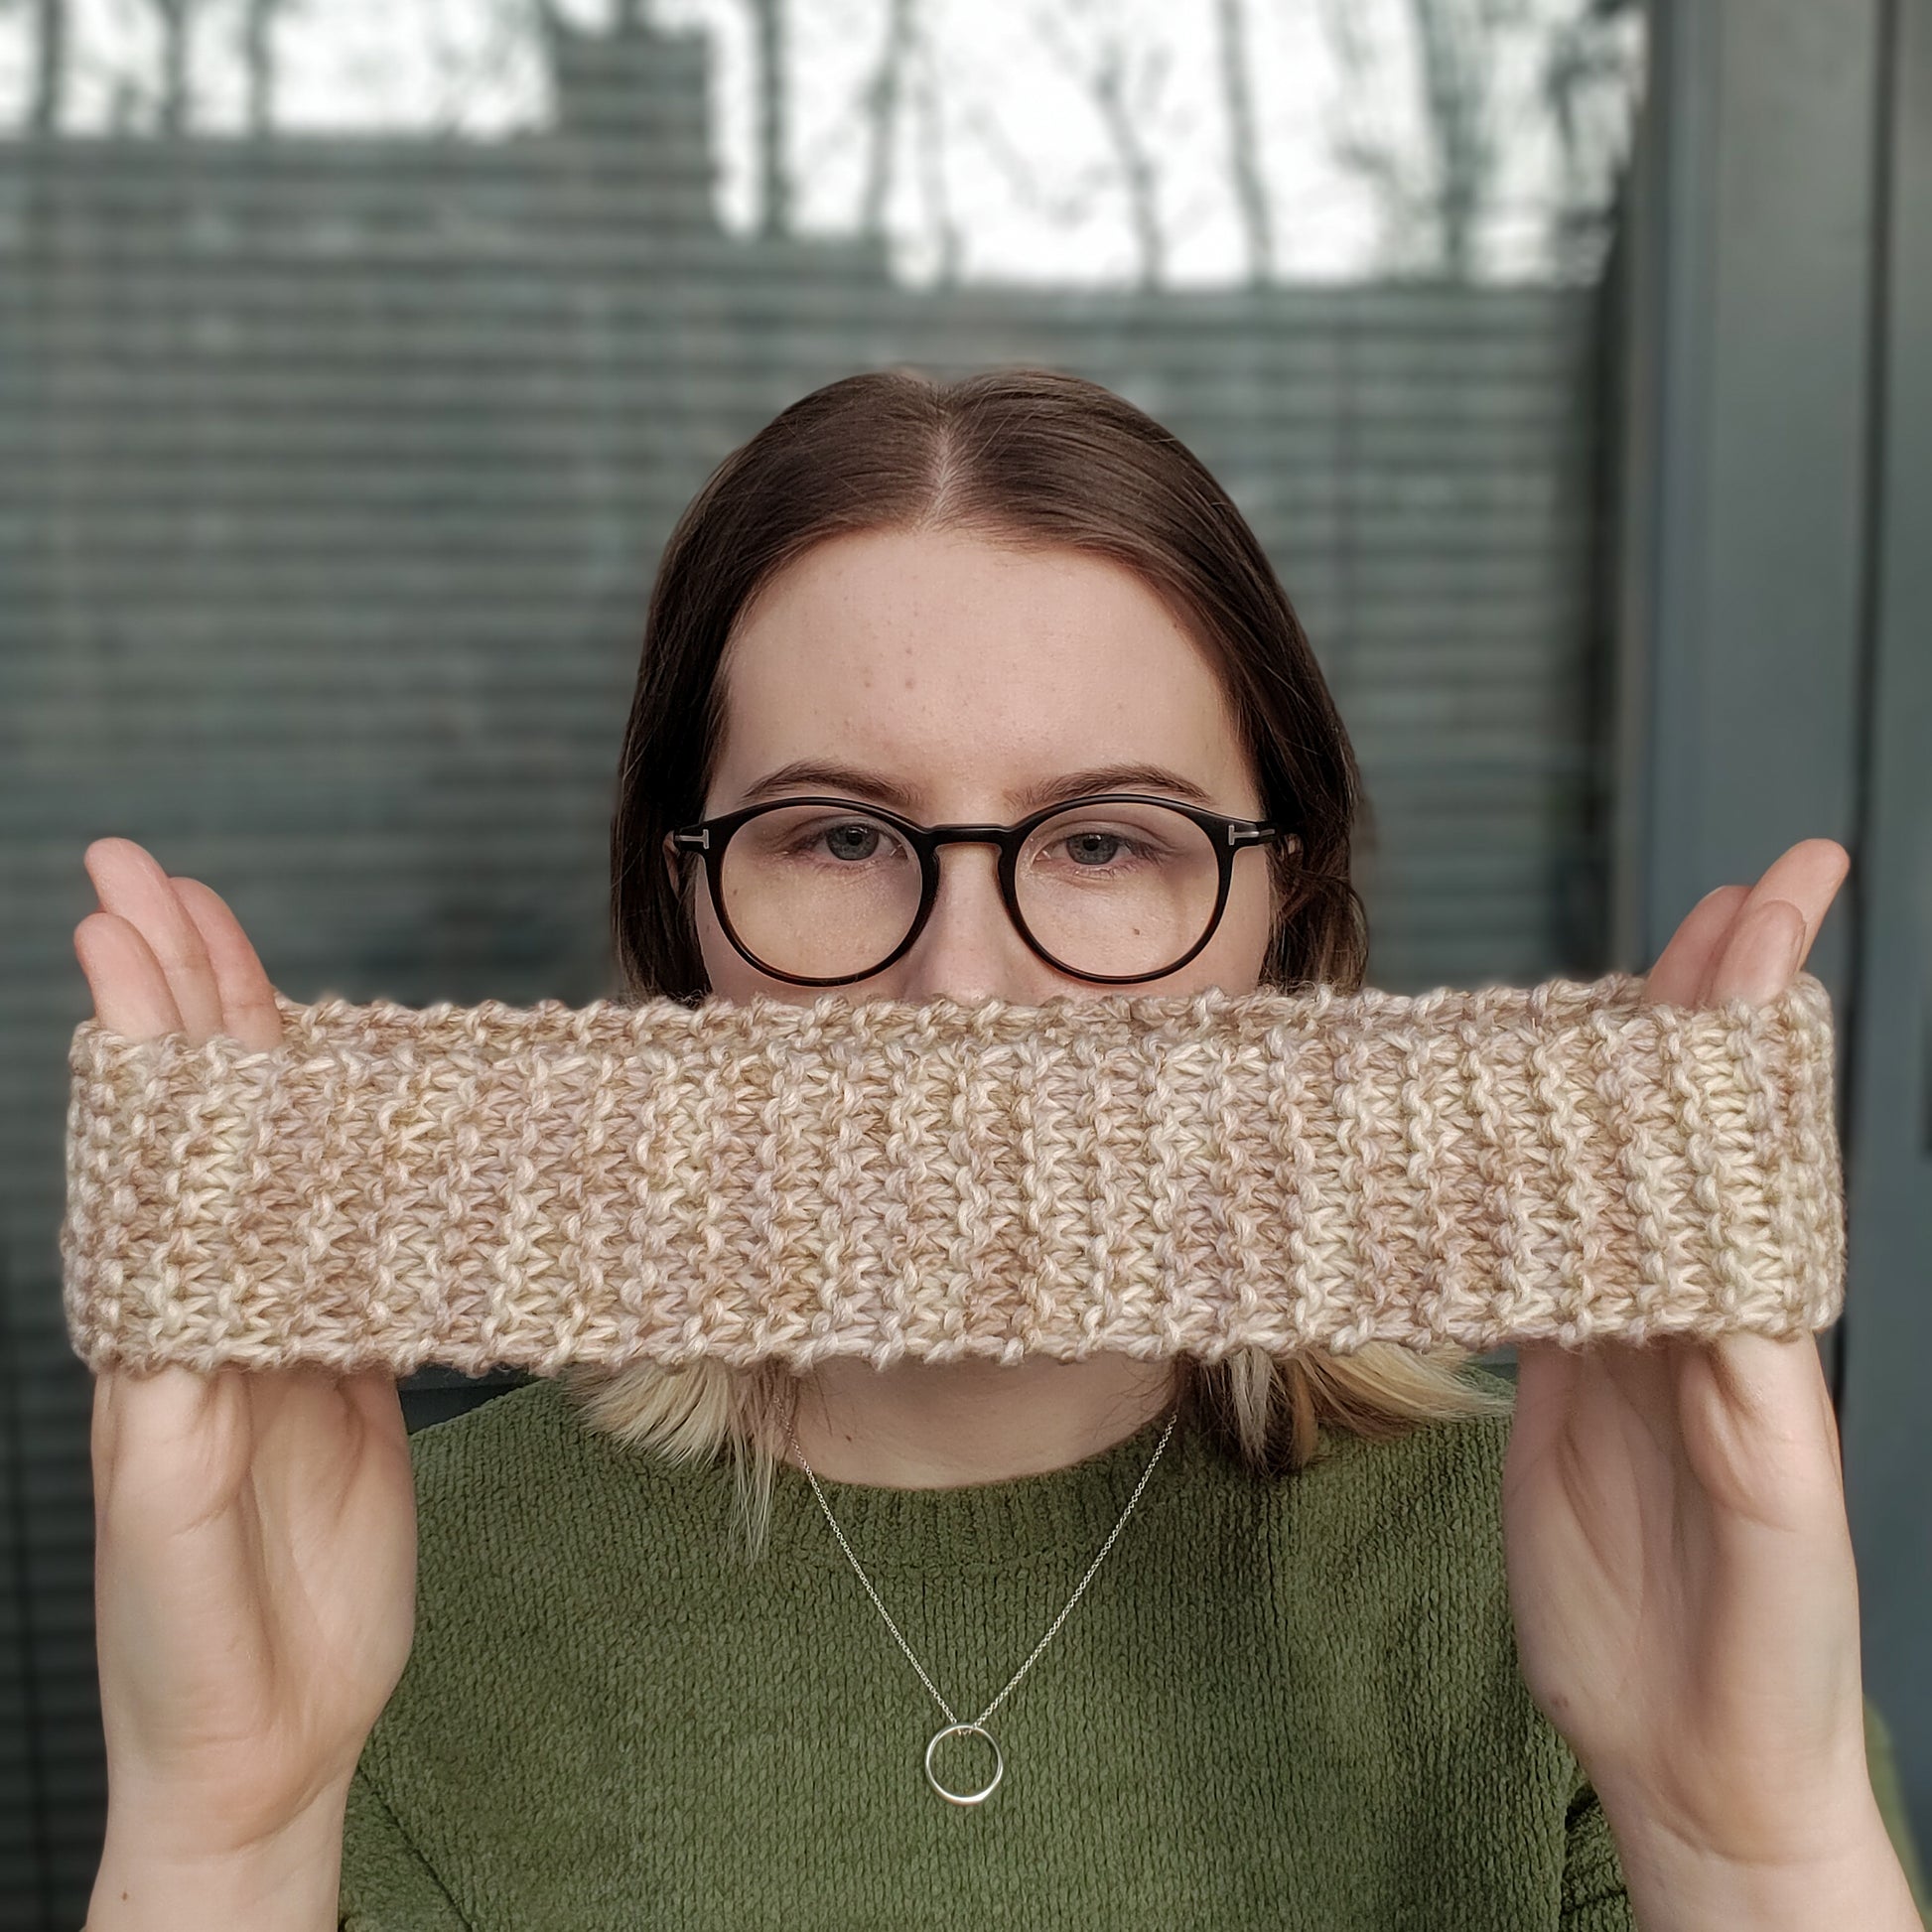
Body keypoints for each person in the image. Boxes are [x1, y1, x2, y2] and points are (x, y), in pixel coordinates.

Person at [73, 367, 1928, 1930]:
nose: (966, 990)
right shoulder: (384, 1594)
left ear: (1285, 917)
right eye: (837, 837)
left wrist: (1746, 1835)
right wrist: (217, 1829)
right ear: (685, 926)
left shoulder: (1584, 1561)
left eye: (1107, 842)